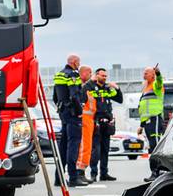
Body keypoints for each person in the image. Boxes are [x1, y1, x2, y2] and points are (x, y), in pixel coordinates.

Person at [51, 54, 88, 187]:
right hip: (73, 114)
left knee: (63, 146)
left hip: (63, 113)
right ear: (74, 62)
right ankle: (73, 177)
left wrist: (62, 108)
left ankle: (58, 178)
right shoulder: (73, 75)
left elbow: (55, 96)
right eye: (78, 62)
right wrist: (79, 112)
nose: (79, 64)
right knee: (74, 145)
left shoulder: (59, 74)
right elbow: (74, 96)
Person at [88, 67, 123, 181]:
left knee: (105, 149)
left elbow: (119, 99)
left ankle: (104, 173)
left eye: (105, 76)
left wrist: (117, 88)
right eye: (102, 75)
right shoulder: (91, 87)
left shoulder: (108, 89)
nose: (104, 78)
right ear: (96, 75)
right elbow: (84, 93)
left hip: (107, 123)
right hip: (96, 122)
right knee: (96, 150)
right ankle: (93, 173)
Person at [138, 65, 165, 179]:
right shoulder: (145, 88)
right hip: (148, 121)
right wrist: (141, 125)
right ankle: (154, 172)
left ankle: (159, 172)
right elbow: (143, 108)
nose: (144, 75)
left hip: (155, 119)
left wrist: (158, 74)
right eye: (144, 73)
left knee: (156, 145)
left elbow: (159, 81)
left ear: (152, 75)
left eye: (146, 73)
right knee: (151, 147)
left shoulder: (156, 85)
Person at [76, 65, 95, 177]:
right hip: (83, 121)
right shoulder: (81, 86)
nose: (91, 75)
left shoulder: (88, 88)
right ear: (83, 73)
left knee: (87, 147)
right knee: (83, 147)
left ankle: (82, 171)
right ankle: (79, 172)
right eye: (89, 72)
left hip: (89, 122)